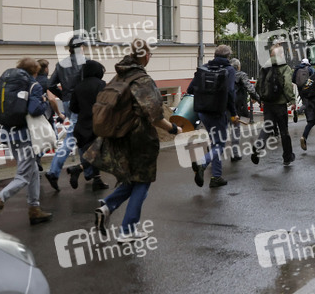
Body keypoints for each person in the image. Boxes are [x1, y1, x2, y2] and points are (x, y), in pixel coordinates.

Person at [94, 39, 182, 241]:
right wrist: (173, 128)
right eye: (150, 54)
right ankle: (127, 230)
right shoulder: (142, 80)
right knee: (143, 181)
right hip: (139, 138)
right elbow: (155, 117)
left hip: (119, 136)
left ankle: (107, 206)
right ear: (146, 56)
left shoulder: (120, 75)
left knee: (133, 178)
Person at [0, 58, 54, 226]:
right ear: (35, 71)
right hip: (25, 135)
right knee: (23, 175)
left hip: (9, 134)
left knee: (33, 170)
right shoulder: (33, 85)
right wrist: (44, 103)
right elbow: (34, 110)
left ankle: (34, 209)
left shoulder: (7, 86)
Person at [187, 44, 237, 188]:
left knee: (215, 143)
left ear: (214, 55)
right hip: (218, 113)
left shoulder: (203, 68)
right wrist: (234, 113)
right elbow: (230, 93)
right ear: (228, 57)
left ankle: (216, 176)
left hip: (203, 112)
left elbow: (190, 89)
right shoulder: (229, 70)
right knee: (219, 145)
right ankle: (202, 163)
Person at [46, 34, 88, 191]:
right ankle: (54, 171)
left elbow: (50, 84)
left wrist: (63, 95)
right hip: (81, 102)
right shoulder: (85, 62)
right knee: (73, 137)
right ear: (81, 47)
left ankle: (89, 171)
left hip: (67, 102)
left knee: (80, 134)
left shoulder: (61, 64)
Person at [67, 59, 109, 191]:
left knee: (92, 152)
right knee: (101, 153)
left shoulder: (78, 86)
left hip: (82, 126)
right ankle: (79, 168)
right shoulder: (101, 84)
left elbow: (73, 108)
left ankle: (97, 180)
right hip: (97, 125)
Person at [252, 44, 295, 166]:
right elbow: (287, 85)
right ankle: (287, 157)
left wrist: (258, 98)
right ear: (280, 54)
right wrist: (292, 100)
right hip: (280, 104)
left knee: (267, 127)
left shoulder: (264, 66)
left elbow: (259, 83)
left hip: (267, 104)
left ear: (271, 54)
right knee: (284, 131)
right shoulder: (285, 67)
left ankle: (258, 145)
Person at [228, 58, 255, 161]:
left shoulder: (224, 74)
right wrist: (258, 98)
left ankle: (213, 149)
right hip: (236, 107)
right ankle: (234, 153)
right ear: (238, 67)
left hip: (223, 106)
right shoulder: (241, 75)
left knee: (220, 130)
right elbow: (250, 88)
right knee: (235, 130)